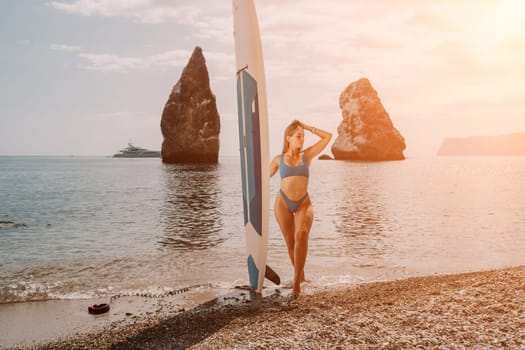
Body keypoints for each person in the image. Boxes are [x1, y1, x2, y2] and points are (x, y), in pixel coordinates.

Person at [269, 120, 332, 296]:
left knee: (301, 235)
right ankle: (301, 276)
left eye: (303, 137)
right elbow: (262, 178)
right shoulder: (278, 160)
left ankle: (296, 285)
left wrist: (307, 127)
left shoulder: (307, 155)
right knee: (290, 242)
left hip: (304, 202)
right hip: (283, 203)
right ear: (288, 138)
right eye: (298, 136)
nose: (302, 139)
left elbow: (328, 136)